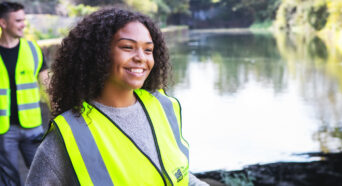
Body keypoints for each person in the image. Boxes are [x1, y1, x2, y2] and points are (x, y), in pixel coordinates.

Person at [26, 8, 209, 186]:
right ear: (98, 53)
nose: (141, 58)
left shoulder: (163, 106)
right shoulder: (71, 133)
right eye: (128, 47)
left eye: (148, 50)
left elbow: (177, 174)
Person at [0, 1, 48, 185]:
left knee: (44, 176)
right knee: (8, 180)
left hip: (33, 127)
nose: (24, 24)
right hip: (4, 130)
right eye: (18, 20)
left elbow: (47, 85)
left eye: (24, 20)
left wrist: (60, 116)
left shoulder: (33, 50)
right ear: (3, 23)